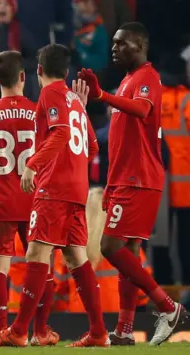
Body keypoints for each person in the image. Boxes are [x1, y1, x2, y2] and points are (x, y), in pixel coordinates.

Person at [0, 44, 105, 347]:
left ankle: (19, 330)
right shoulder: (74, 99)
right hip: (78, 188)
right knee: (77, 257)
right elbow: (92, 146)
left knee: (36, 254)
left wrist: (34, 166)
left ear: (37, 70)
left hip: (55, 189)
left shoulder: (51, 94)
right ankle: (99, 332)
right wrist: (74, 169)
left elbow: (61, 133)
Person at [78, 22, 188, 346]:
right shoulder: (128, 79)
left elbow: (142, 110)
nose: (114, 48)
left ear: (140, 46)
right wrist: (109, 184)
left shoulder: (147, 79)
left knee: (108, 247)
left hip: (140, 179)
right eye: (112, 43)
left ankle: (168, 307)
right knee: (129, 251)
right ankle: (125, 330)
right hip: (125, 179)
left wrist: (102, 96)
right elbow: (121, 139)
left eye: (120, 43)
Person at [0, 50, 58, 345]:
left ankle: (2, 328)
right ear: (22, 77)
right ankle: (41, 330)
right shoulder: (39, 109)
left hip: (0, 200)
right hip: (35, 199)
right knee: (43, 264)